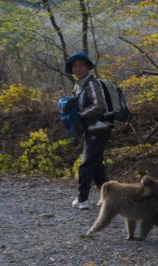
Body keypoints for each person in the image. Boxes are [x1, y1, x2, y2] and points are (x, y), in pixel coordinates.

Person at [65, 51, 113, 210]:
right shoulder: (78, 85)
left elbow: (99, 106)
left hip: (99, 128)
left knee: (86, 164)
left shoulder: (91, 84)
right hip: (91, 129)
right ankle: (108, 197)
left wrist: (79, 115)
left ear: (87, 67)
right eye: (74, 66)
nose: (77, 69)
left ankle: (82, 198)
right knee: (96, 164)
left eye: (81, 65)